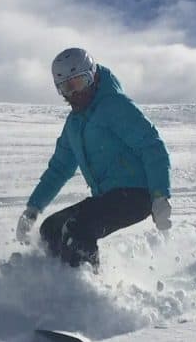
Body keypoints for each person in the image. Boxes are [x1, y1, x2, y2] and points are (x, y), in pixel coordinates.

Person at [15, 48, 172, 268]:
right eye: (66, 88)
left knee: (78, 229)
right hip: (106, 197)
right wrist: (33, 209)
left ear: (93, 76)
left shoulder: (115, 106)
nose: (74, 93)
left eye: (79, 83)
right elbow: (59, 169)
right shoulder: (74, 125)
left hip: (136, 195)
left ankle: (84, 289)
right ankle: (53, 283)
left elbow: (152, 146)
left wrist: (159, 196)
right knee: (51, 229)